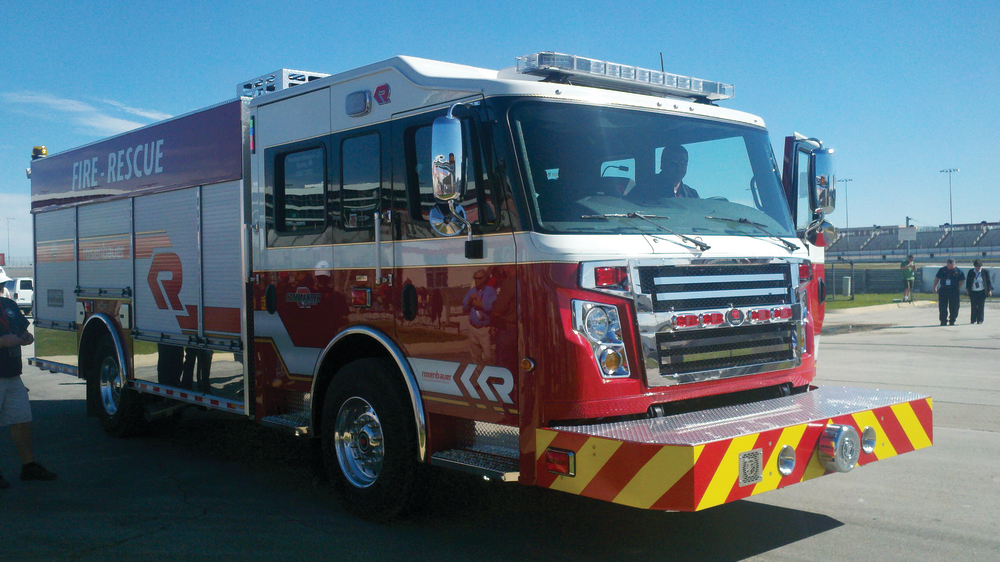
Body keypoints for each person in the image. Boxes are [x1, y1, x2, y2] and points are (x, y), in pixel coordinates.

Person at [1, 293, 57, 489]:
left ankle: (29, 466)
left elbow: (22, 328)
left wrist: (26, 336)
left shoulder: (8, 304)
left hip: (12, 374)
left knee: (20, 420)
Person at [462, 269, 496, 365]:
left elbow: (493, 307)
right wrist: (469, 301)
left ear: (485, 279)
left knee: (488, 356)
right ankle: (479, 377)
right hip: (473, 328)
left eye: (479, 278)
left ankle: (489, 377)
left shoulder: (490, 291)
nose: (477, 280)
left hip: (484, 328)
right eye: (475, 278)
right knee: (475, 358)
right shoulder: (471, 292)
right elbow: (464, 308)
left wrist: (480, 305)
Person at [933, 259, 965, 326]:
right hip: (943, 290)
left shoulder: (958, 271)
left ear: (954, 264)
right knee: (942, 306)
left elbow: (962, 280)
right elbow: (937, 278)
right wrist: (935, 287)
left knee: (954, 306)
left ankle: (952, 320)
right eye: (948, 265)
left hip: (954, 290)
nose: (949, 267)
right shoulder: (942, 270)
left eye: (951, 266)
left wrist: (958, 288)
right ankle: (943, 321)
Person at [965, 259, 993, 324]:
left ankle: (980, 319)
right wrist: (967, 290)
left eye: (979, 266)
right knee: (973, 306)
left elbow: (988, 282)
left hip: (982, 291)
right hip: (973, 291)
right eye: (976, 266)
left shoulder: (985, 272)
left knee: (981, 306)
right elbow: (968, 282)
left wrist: (989, 290)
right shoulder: (971, 272)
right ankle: (973, 319)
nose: (977, 267)